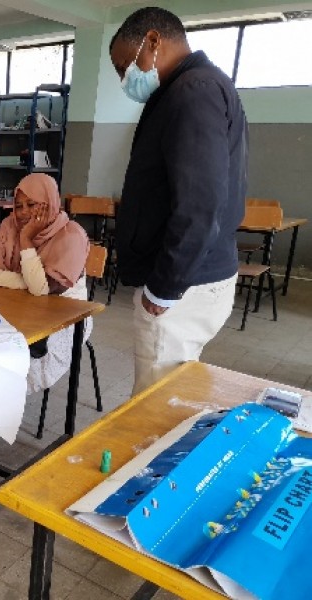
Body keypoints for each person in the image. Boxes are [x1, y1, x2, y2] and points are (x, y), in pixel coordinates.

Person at [109, 7, 246, 394]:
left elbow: (200, 202)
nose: (125, 80)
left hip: (182, 287)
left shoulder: (193, 91)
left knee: (156, 403)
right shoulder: (189, 89)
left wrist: (165, 287)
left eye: (125, 67)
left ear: (153, 41)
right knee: (172, 395)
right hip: (192, 278)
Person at [0, 173, 90, 395]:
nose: (23, 213)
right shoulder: (9, 225)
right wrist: (26, 281)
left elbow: (42, 290)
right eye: (18, 206)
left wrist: (26, 240)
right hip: (18, 303)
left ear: (50, 203)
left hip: (65, 314)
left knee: (23, 353)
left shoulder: (72, 235)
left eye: (32, 205)